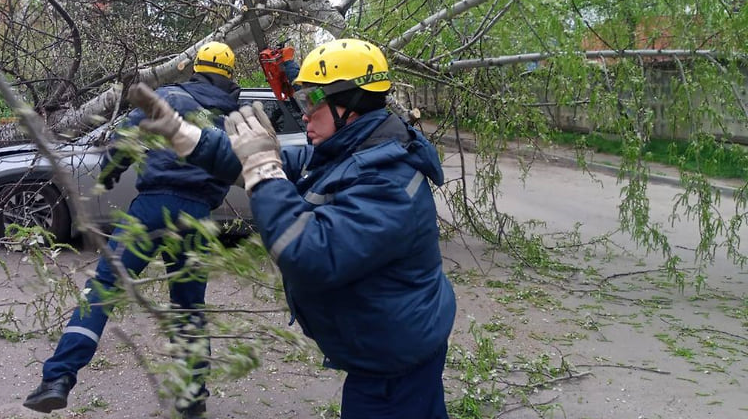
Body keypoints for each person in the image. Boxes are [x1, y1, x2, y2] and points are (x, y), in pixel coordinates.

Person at [128, 38, 456, 418]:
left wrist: (264, 171)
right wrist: (185, 137)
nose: (304, 115)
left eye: (311, 103)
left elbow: (308, 253)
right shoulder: (353, 150)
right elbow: (270, 159)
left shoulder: (386, 182)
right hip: (389, 346)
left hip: (394, 360)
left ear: (347, 105)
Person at [24, 41, 241, 418]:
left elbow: (125, 141)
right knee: (188, 306)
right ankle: (192, 396)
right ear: (229, 76)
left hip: (152, 207)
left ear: (194, 66)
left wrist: (108, 176)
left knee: (104, 289)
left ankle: (57, 379)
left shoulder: (168, 95)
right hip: (197, 214)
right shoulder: (233, 114)